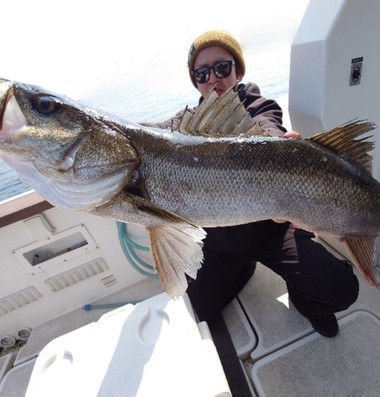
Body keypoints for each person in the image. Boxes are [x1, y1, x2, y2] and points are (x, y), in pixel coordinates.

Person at [142, 29, 359, 337]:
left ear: (238, 70)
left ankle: (305, 302)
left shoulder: (259, 105)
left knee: (338, 289)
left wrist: (279, 147)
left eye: (222, 68)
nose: (213, 79)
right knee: (192, 318)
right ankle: (242, 270)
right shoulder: (185, 123)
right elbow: (146, 133)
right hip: (217, 242)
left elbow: (268, 129)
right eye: (202, 73)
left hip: (271, 230)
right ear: (196, 82)